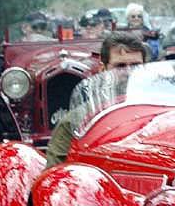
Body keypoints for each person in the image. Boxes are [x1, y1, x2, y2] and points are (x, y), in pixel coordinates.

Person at [45, 31, 148, 167]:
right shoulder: (78, 120)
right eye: (120, 66)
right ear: (103, 69)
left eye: (136, 65)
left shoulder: (160, 109)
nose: (129, 72)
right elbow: (55, 173)